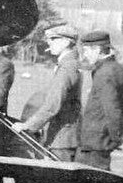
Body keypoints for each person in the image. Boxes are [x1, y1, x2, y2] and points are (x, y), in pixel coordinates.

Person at [13, 24, 82, 161]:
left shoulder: (67, 67)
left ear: (67, 42)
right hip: (62, 137)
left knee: (57, 181)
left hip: (61, 139)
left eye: (54, 38)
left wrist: (28, 125)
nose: (49, 42)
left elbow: (53, 104)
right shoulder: (69, 64)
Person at [76, 30, 123, 172]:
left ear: (98, 50)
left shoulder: (105, 73)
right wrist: (119, 135)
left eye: (87, 50)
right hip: (101, 141)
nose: (85, 55)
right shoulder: (118, 69)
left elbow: (112, 110)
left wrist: (115, 138)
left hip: (95, 143)